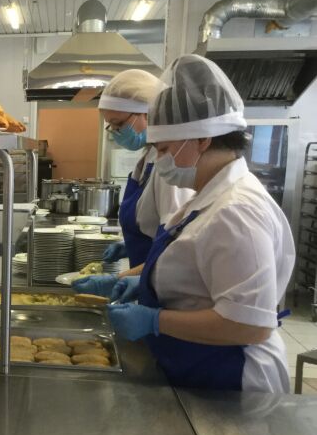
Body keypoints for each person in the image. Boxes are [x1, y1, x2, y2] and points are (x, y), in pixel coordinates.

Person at [107, 54, 295, 393]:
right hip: (197, 365)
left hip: (232, 378)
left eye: (164, 148)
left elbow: (248, 325)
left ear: (201, 140)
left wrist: (154, 320)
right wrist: (147, 282)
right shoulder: (207, 196)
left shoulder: (237, 212)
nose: (160, 159)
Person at [73, 69, 194, 298]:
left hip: (162, 289)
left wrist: (118, 279)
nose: (115, 132)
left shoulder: (169, 169)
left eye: (118, 124)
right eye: (111, 126)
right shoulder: (148, 157)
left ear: (147, 114)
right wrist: (129, 246)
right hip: (147, 281)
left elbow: (174, 250)